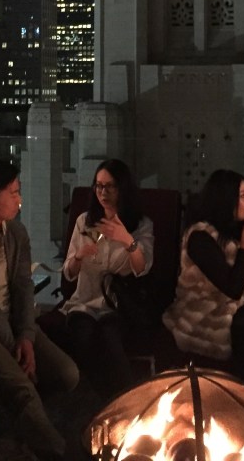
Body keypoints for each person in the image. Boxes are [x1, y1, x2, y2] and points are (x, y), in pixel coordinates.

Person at [0, 158, 79, 461]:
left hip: (15, 324)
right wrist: (13, 346)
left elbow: (23, 286)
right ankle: (58, 451)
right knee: (23, 387)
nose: (19, 199)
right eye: (13, 193)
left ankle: (24, 428)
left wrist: (26, 337)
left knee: (67, 374)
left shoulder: (15, 233)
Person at [163, 169, 244, 388]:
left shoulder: (234, 229)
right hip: (209, 311)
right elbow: (233, 288)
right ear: (226, 199)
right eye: (242, 195)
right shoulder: (200, 236)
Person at [60, 158, 154, 397]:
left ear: (123, 188)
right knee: (83, 334)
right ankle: (94, 400)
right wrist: (78, 256)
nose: (103, 193)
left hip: (118, 304)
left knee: (110, 337)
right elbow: (68, 273)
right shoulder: (85, 221)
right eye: (99, 186)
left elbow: (142, 268)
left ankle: (125, 399)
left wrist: (127, 240)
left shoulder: (140, 224)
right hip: (84, 301)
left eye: (110, 186)